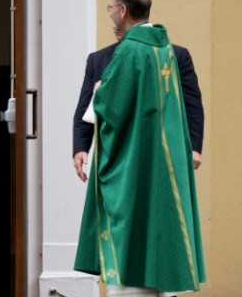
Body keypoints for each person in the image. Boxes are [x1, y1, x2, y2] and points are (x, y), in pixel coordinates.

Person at [74, 0, 206, 297]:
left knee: (132, 218)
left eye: (110, 8)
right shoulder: (161, 45)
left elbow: (112, 104)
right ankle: (164, 295)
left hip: (136, 156)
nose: (110, 14)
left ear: (122, 11)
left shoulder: (131, 50)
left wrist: (101, 90)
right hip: (164, 155)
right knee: (159, 221)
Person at [73, 25, 204, 183]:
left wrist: (194, 147)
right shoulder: (98, 60)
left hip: (160, 154)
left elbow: (192, 105)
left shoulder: (175, 56)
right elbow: (85, 108)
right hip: (115, 158)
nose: (115, 26)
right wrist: (80, 148)